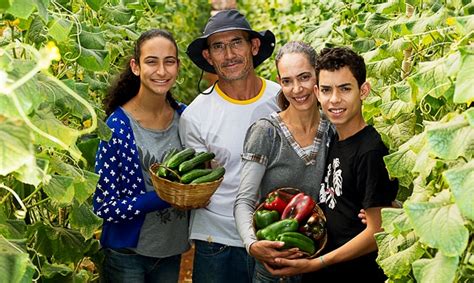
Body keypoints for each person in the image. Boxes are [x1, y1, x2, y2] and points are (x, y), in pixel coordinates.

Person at [265, 47, 398, 282]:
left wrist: (316, 263)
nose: (334, 99)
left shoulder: (370, 150)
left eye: (345, 88)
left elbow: (376, 231)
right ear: (317, 92)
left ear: (363, 90)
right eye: (326, 90)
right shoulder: (333, 137)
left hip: (355, 273)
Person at [179, 9, 280, 282]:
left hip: (275, 233)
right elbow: (201, 182)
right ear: (208, 56)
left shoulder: (282, 99)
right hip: (217, 239)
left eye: (236, 42)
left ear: (254, 46)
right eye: (218, 47)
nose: (229, 54)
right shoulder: (195, 115)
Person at [92, 29, 190, 282]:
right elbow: (104, 205)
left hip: (171, 250)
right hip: (127, 255)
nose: (161, 71)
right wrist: (165, 197)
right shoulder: (117, 127)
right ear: (135, 67)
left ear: (177, 66)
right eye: (151, 61)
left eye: (169, 61)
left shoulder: (187, 118)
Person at [234, 41, 333, 283]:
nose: (297, 89)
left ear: (318, 75)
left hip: (322, 262)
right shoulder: (266, 132)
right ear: (280, 82)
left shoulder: (334, 128)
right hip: (276, 270)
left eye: (304, 77)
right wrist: (252, 244)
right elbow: (244, 200)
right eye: (287, 81)